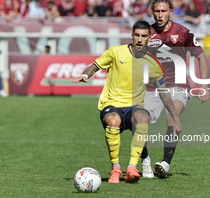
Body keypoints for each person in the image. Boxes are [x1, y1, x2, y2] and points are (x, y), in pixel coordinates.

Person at [73, 21, 182, 184]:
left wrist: (175, 117)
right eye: (136, 35)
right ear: (131, 36)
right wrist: (86, 75)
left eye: (143, 36)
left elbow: (164, 92)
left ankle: (132, 168)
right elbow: (94, 66)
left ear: (149, 38)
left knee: (143, 117)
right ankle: (116, 169)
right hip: (111, 104)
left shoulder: (153, 64)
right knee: (114, 121)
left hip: (134, 107)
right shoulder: (115, 52)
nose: (139, 39)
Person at [140, 0, 210, 179]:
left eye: (164, 11)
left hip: (177, 85)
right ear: (152, 12)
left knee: (173, 116)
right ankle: (145, 161)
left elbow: (201, 56)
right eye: (157, 11)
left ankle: (164, 163)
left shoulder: (183, 32)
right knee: (138, 121)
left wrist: (204, 84)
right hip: (152, 87)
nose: (160, 14)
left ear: (171, 11)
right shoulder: (146, 33)